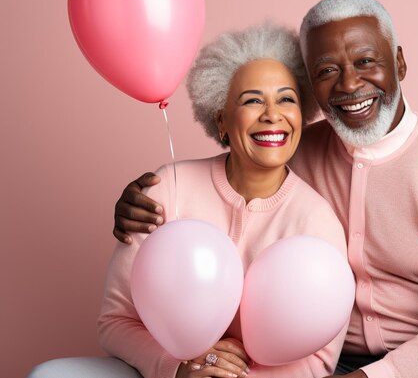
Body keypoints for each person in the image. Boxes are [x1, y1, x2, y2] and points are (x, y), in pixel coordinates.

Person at [112, 0, 418, 378]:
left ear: (399, 63)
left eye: (365, 61)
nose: (349, 84)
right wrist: (142, 199)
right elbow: (232, 169)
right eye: (327, 70)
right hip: (326, 360)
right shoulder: (290, 147)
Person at [28, 23, 348, 378]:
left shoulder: (318, 224)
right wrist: (178, 368)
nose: (272, 114)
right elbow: (115, 321)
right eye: (252, 100)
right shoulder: (168, 187)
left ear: (302, 116)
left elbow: (318, 361)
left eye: (286, 99)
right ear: (222, 120)